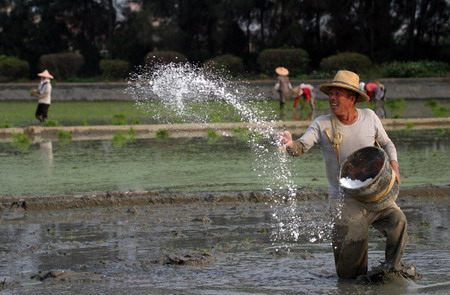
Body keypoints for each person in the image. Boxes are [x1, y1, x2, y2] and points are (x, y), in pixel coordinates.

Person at [277, 70, 413, 280]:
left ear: (352, 98)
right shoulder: (322, 124)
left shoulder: (370, 116)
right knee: (349, 275)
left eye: (338, 93)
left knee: (398, 221)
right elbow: (300, 147)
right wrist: (288, 144)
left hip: (374, 195)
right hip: (344, 201)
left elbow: (386, 143)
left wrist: (394, 166)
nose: (332, 98)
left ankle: (391, 269)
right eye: (331, 93)